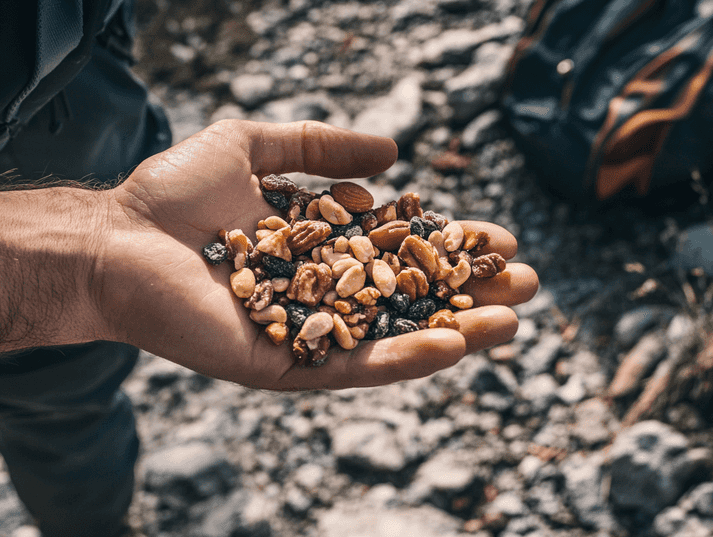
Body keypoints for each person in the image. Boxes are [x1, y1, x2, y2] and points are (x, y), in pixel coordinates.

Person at [0, 1, 539, 536]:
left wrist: (95, 253)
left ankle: (91, 521)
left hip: (73, 66)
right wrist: (85, 265)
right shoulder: (306, 273)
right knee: (51, 401)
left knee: (65, 397)